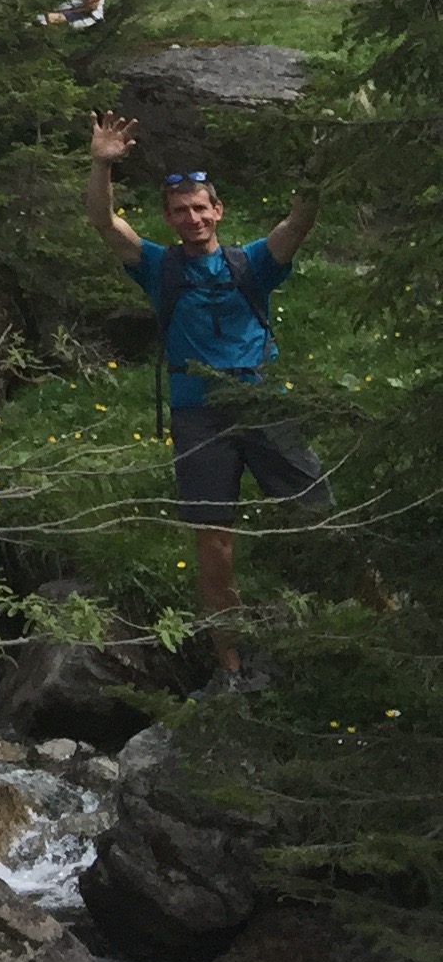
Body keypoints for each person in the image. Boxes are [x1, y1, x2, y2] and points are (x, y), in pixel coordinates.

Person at [84, 112, 328, 675]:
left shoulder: (253, 263)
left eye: (200, 208)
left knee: (321, 516)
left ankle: (374, 618)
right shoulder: (157, 268)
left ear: (217, 211)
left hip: (263, 406)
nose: (192, 218)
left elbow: (300, 221)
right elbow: (103, 222)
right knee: (214, 552)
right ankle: (233, 669)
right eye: (180, 211)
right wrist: (102, 162)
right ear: (169, 220)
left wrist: (318, 164)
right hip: (198, 420)